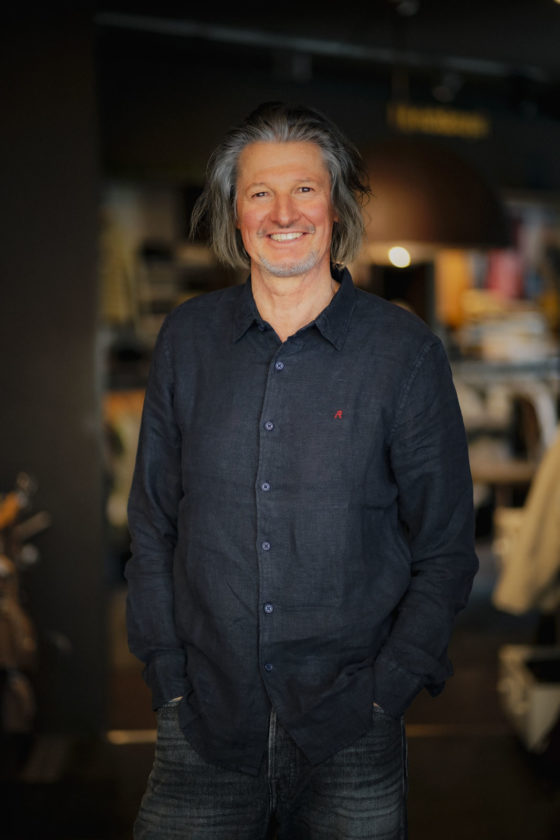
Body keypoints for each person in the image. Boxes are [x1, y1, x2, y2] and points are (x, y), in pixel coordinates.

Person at [126, 101, 478, 839]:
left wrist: (387, 691)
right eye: (260, 192)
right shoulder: (188, 339)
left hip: (350, 731)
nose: (283, 213)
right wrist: (167, 680)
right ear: (235, 212)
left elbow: (445, 548)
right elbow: (153, 524)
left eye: (305, 190)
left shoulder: (403, 352)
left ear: (336, 206)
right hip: (204, 725)